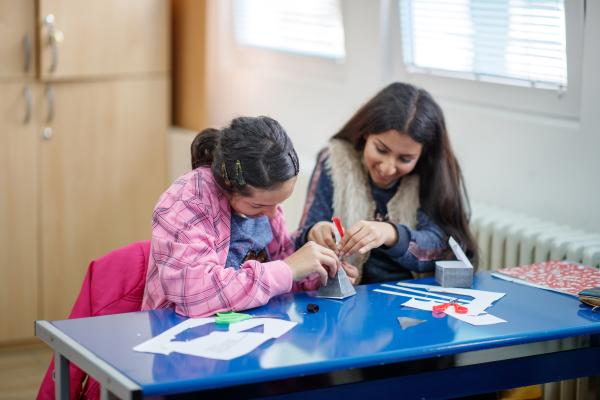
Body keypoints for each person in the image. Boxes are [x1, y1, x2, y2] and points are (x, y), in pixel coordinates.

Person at [142, 116, 341, 317]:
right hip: (182, 332)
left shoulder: (265, 204)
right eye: (259, 205)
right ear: (229, 185)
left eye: (277, 204)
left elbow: (282, 277)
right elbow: (195, 296)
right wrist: (287, 269)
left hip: (250, 330)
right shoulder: (186, 201)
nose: (273, 214)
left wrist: (319, 271)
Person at [295, 82, 478, 284]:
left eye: (405, 159)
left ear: (423, 154)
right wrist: (315, 232)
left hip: (411, 296)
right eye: (381, 150)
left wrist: (391, 233)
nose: (387, 168)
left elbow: (441, 248)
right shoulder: (335, 162)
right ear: (366, 134)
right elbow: (301, 238)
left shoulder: (430, 173)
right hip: (350, 298)